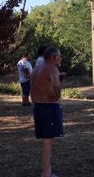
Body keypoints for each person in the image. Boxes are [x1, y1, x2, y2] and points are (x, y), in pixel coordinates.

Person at [30, 47, 63, 177]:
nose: (60, 58)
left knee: (46, 140)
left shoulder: (36, 69)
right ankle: (46, 174)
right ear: (54, 57)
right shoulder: (52, 69)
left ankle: (47, 171)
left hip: (38, 106)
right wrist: (57, 95)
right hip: (49, 108)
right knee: (47, 141)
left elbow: (33, 90)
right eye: (59, 56)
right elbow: (56, 89)